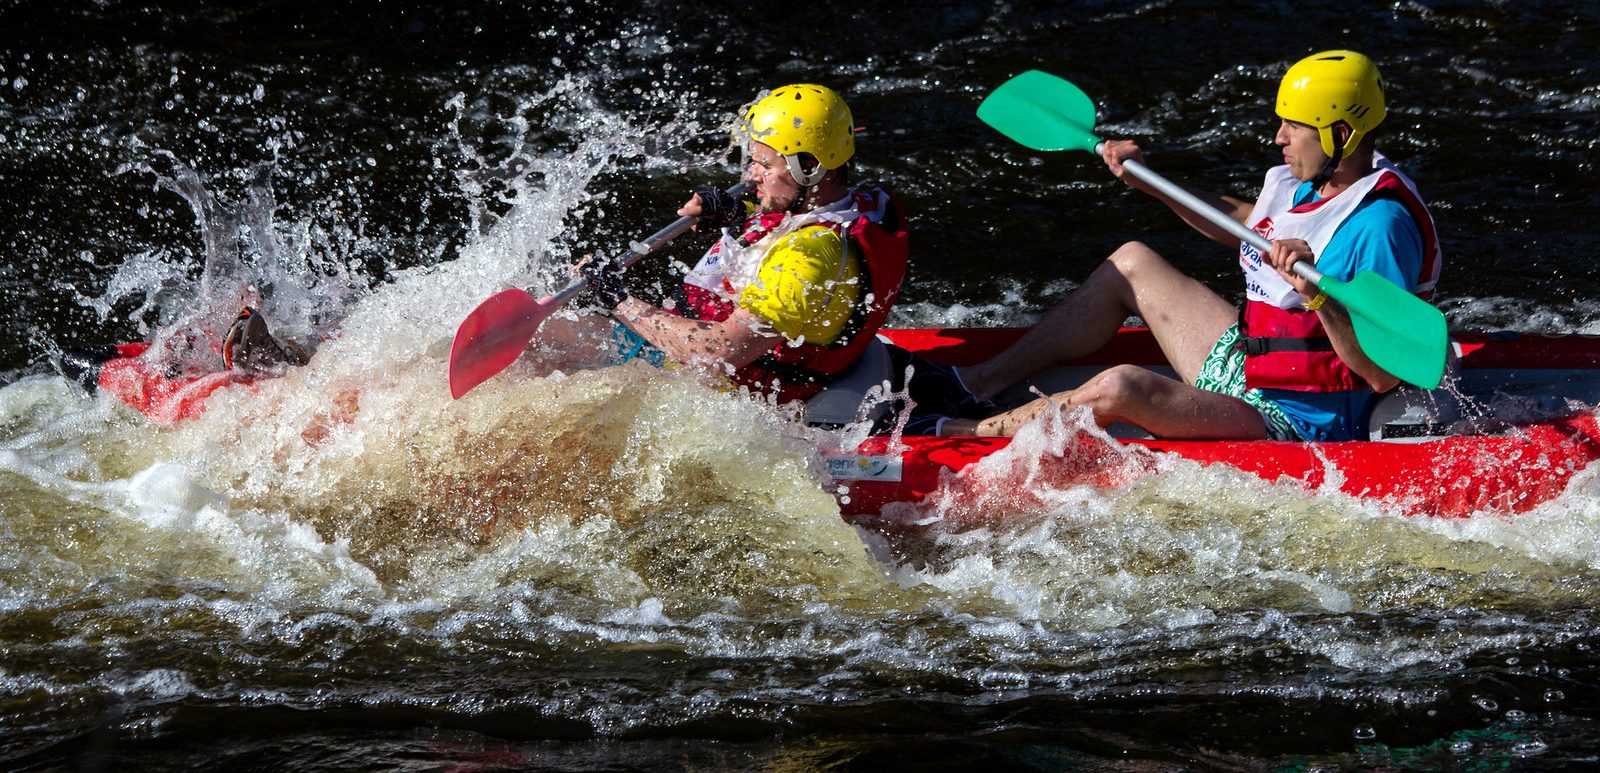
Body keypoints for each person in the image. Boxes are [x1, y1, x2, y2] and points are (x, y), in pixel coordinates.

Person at [940, 49, 1442, 441]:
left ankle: (958, 434)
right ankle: (972, 385)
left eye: (1294, 126)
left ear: (1338, 132)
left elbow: (1380, 373)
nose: (1278, 137)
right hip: (1251, 368)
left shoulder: (1381, 227)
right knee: (1132, 261)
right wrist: (1150, 183)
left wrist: (1318, 296)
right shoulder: (1316, 179)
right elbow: (1249, 222)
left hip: (1304, 423)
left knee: (1121, 387)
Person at [573, 82, 924, 425]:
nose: (750, 174)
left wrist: (619, 299)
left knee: (541, 363)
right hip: (692, 354)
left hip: (725, 395)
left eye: (765, 165)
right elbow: (791, 222)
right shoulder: (856, 207)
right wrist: (736, 211)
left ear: (810, 168)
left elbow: (716, 353)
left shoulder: (808, 257)